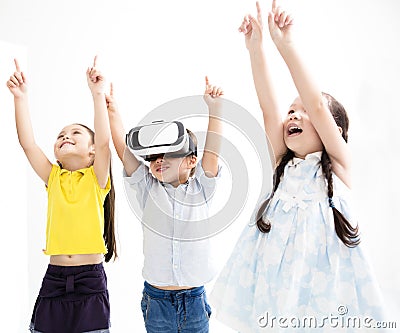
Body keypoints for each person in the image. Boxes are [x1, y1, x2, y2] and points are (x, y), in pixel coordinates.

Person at [209, 1, 384, 332]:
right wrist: (255, 48)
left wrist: (284, 44)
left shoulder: (338, 163)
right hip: (277, 288)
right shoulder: (281, 164)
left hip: (323, 293)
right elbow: (267, 107)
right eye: (292, 111)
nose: (294, 115)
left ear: (333, 130)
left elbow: (317, 104)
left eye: (303, 112)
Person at [7, 57, 117, 333]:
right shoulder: (53, 177)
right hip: (54, 278)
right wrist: (21, 98)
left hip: (90, 279)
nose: (65, 136)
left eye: (75, 133)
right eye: (61, 135)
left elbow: (104, 143)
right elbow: (28, 143)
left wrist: (97, 94)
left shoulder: (96, 179)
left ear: (91, 152)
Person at [107, 77, 223, 333]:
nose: (158, 161)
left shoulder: (201, 189)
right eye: (153, 157)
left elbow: (212, 152)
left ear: (192, 161)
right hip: (156, 300)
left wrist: (214, 109)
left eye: (168, 153)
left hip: (194, 299)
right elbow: (123, 150)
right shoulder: (147, 189)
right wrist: (112, 111)